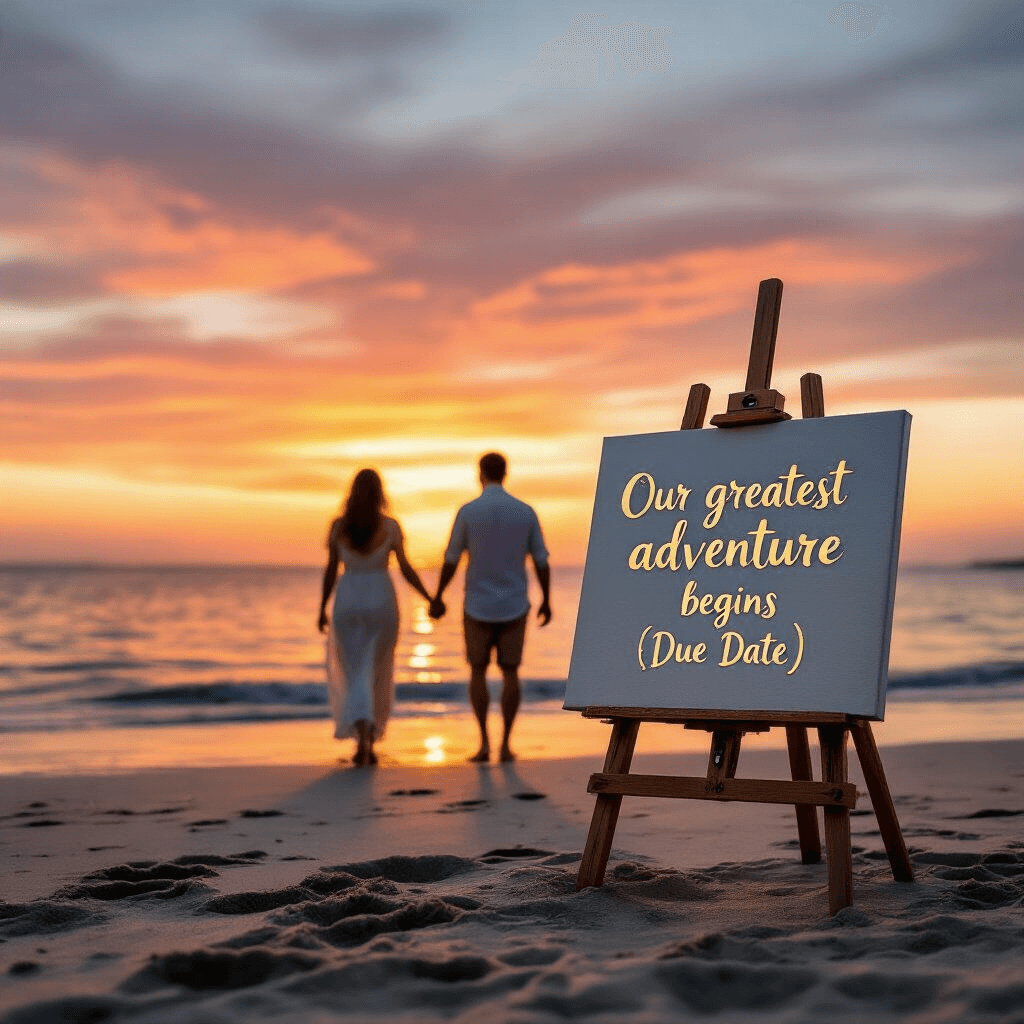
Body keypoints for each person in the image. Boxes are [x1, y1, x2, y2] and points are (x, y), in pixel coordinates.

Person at [430, 452, 551, 763]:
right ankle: (506, 745)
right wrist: (547, 599)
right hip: (514, 604)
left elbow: (451, 558)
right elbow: (540, 560)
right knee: (511, 672)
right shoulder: (525, 511)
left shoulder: (469, 511)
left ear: (480, 473)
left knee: (478, 671)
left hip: (477, 605)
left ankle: (484, 744)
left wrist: (438, 596)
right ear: (505, 473)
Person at [318, 468, 431, 766]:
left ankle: (362, 741)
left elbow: (331, 570)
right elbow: (405, 568)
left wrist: (322, 607)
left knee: (355, 670)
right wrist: (429, 597)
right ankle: (368, 739)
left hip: (348, 599)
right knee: (376, 670)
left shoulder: (339, 526)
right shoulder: (390, 526)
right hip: (381, 599)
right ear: (380, 493)